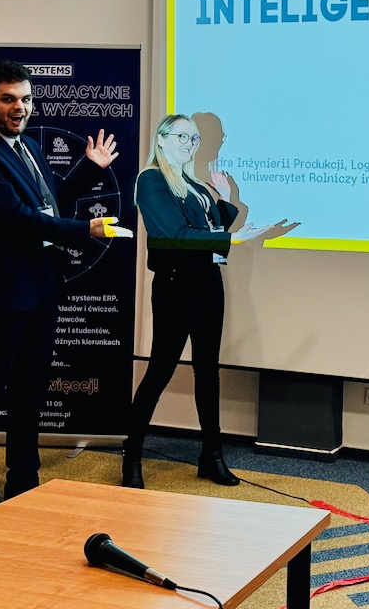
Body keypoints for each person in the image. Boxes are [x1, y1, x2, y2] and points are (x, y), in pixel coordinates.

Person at [0, 60, 131, 523]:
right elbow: (15, 219)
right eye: (8, 99)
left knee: (30, 392)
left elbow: (49, 202)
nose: (19, 107)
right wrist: (85, 230)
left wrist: (89, 169)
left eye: (26, 99)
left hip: (42, 288)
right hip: (1, 293)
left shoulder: (28, 147)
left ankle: (23, 482)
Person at [122, 113, 291, 488]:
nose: (190, 144)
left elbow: (212, 228)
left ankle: (211, 457)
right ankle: (131, 456)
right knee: (160, 371)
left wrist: (227, 201)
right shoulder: (151, 180)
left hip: (207, 284)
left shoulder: (195, 184)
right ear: (161, 139)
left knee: (207, 371)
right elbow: (175, 235)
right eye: (182, 136)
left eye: (194, 139)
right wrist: (233, 239)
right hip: (175, 286)